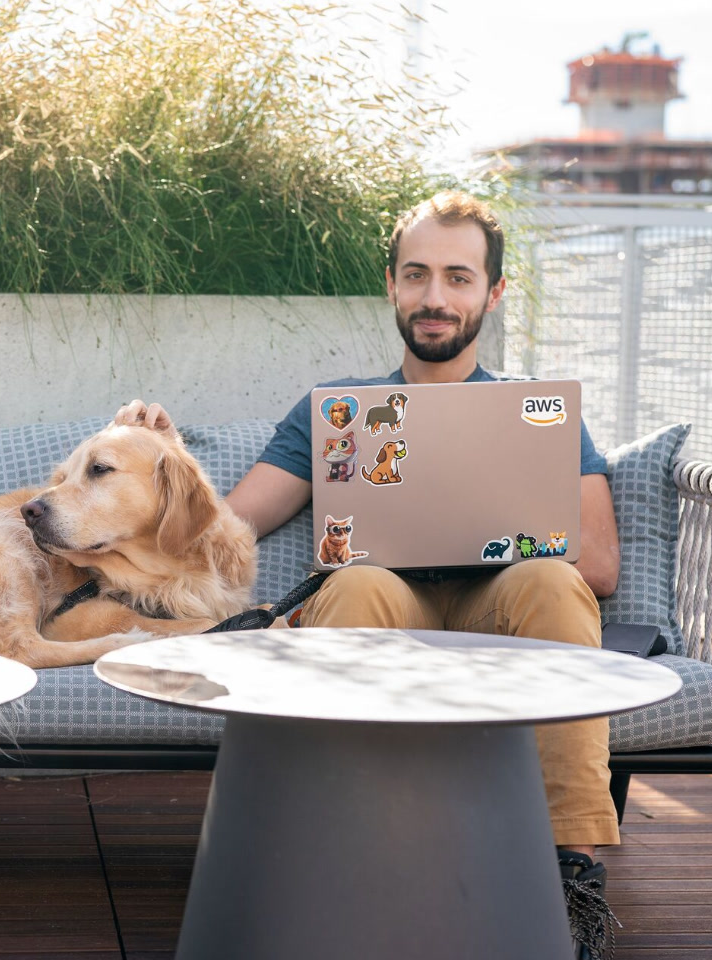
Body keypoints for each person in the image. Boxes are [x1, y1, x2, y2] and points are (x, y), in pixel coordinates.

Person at [224, 190, 623, 959]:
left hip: (498, 609)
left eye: (458, 277)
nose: (435, 298)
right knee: (358, 582)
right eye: (417, 275)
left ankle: (567, 871)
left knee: (552, 581)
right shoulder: (334, 414)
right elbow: (231, 531)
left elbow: (599, 564)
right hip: (387, 609)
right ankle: (344, 857)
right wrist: (159, 454)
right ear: (392, 285)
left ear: (492, 292)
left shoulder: (538, 412)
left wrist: (491, 528)